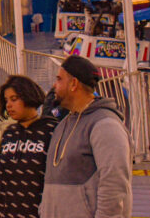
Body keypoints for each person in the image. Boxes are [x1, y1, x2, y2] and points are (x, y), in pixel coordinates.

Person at [39, 56, 132, 218]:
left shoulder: (105, 125)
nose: (54, 86)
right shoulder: (64, 125)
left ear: (73, 84)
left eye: (59, 79)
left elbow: (114, 184)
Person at [0, 75, 56, 218]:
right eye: (6, 100)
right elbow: (1, 182)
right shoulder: (9, 134)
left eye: (14, 99)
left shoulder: (51, 130)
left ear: (28, 97)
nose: (9, 105)